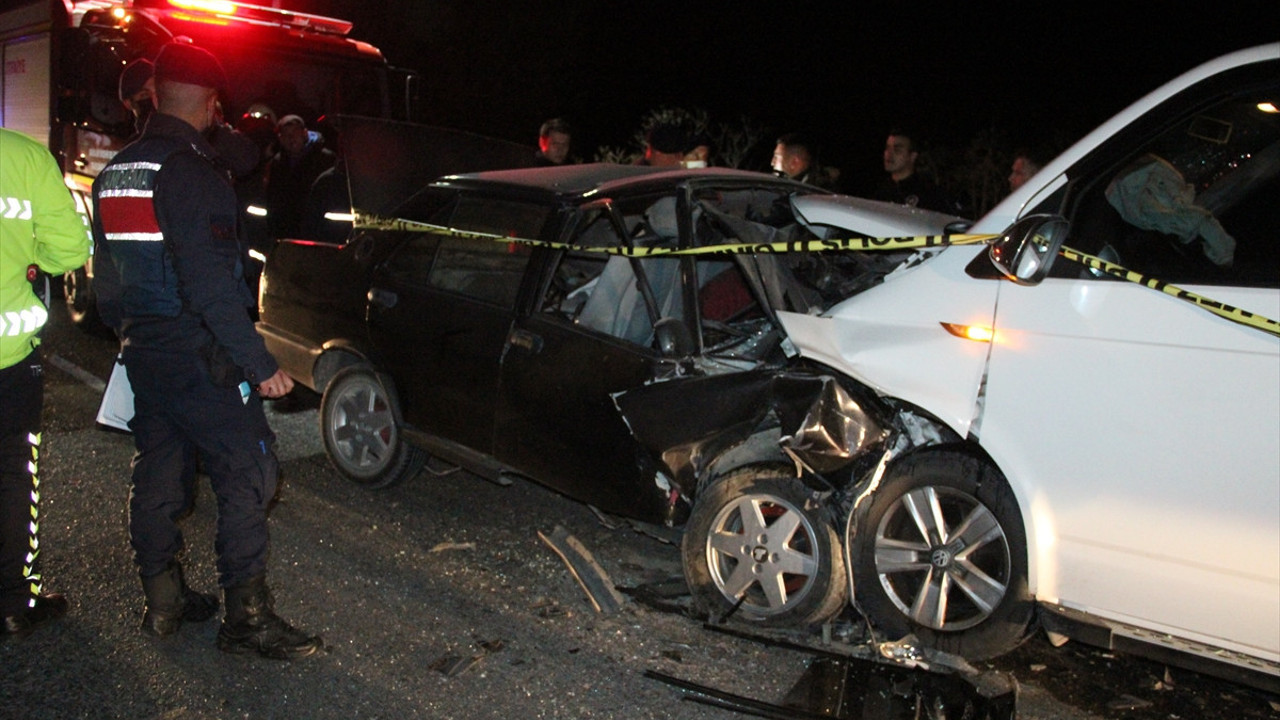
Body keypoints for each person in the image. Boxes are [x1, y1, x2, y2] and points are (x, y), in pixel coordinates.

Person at [91, 41, 321, 659]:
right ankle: (246, 618)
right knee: (249, 470)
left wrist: (134, 335)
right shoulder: (193, 172)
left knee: (160, 471)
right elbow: (212, 286)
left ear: (156, 92)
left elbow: (105, 281)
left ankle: (164, 603)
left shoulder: (117, 171)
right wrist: (260, 365)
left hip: (145, 349)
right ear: (213, 104)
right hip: (201, 356)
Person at [0, 128, 91, 639]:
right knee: (14, 477)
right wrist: (30, 257)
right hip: (9, 361)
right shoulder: (25, 158)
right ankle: (15, 602)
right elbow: (71, 249)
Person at [263, 114, 335, 239]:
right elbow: (272, 199)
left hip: (318, 230)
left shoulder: (325, 159)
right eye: (286, 134)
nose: (291, 138)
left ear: (305, 133)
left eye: (295, 132)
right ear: (280, 138)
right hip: (286, 233)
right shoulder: (276, 163)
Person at [874, 129, 951, 212]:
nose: (889, 154)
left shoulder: (928, 193)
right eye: (887, 148)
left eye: (897, 150)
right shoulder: (881, 190)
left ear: (912, 156)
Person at [771, 133, 836, 189]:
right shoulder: (803, 186)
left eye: (776, 157)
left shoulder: (814, 192)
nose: (772, 163)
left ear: (794, 162)